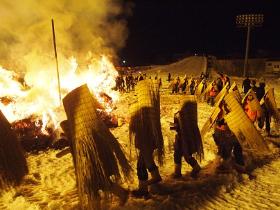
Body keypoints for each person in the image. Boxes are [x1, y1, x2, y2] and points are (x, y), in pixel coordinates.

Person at [170, 99, 203, 178]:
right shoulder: (191, 116)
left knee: (185, 155)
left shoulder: (180, 115)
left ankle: (195, 168)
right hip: (189, 139)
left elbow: (178, 127)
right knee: (180, 154)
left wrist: (173, 126)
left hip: (182, 139)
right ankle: (177, 172)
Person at [212, 102, 245, 171]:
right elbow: (218, 123)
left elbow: (234, 125)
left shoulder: (235, 114)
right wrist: (218, 126)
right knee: (223, 148)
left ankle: (237, 165)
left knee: (234, 149)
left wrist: (226, 127)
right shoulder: (221, 112)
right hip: (224, 135)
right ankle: (224, 163)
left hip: (234, 135)